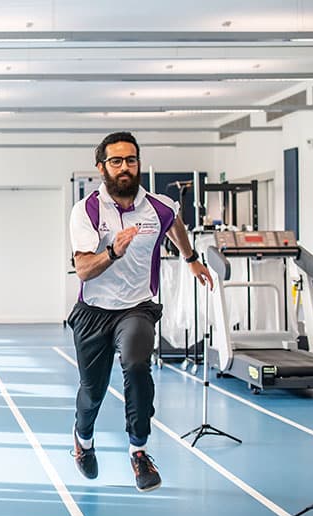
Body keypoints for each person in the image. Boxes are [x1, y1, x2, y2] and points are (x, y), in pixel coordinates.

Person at [68, 132, 213, 492]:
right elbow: (84, 269)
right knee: (92, 391)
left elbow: (174, 222)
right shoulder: (87, 210)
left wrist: (191, 258)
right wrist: (114, 252)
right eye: (115, 161)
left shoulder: (158, 206)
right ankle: (82, 442)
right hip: (94, 311)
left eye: (130, 160)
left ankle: (139, 451)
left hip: (137, 307)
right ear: (101, 166)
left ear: (138, 163)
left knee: (136, 365)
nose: (124, 167)